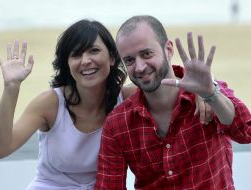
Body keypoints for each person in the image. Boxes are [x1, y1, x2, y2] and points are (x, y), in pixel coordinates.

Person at [0, 19, 210, 190]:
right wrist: (11, 87)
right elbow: (2, 148)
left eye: (94, 51)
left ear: (111, 57)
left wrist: (203, 92)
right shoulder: (50, 103)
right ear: (67, 64)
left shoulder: (126, 98)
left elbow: (170, 82)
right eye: (76, 55)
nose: (86, 60)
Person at [94, 15, 251, 189]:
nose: (139, 67)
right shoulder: (118, 123)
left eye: (146, 54)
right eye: (129, 60)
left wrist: (211, 95)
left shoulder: (207, 91)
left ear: (168, 49)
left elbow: (246, 132)